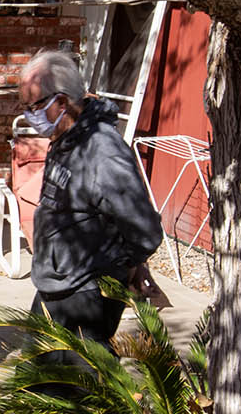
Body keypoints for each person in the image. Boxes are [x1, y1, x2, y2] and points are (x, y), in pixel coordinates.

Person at [18, 49, 163, 347]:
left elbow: (144, 229)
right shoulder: (65, 138)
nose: (27, 114)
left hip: (84, 294)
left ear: (60, 102)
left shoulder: (102, 150)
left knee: (79, 386)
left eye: (32, 105)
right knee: (36, 383)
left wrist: (124, 266)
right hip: (56, 286)